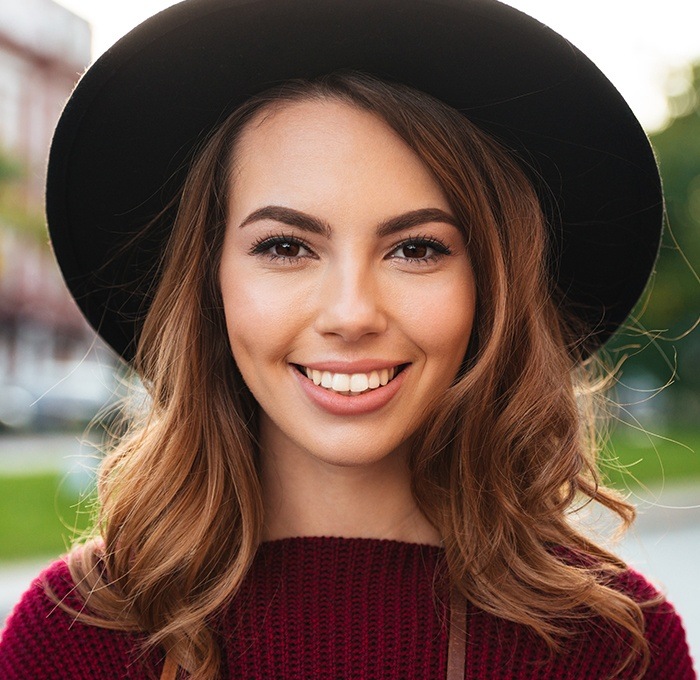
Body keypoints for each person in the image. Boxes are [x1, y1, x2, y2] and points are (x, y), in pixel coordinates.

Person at [0, 1, 695, 678]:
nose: (351, 312)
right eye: (285, 246)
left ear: (491, 287)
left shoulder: (616, 646)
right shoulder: (74, 638)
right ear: (209, 283)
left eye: (417, 249)